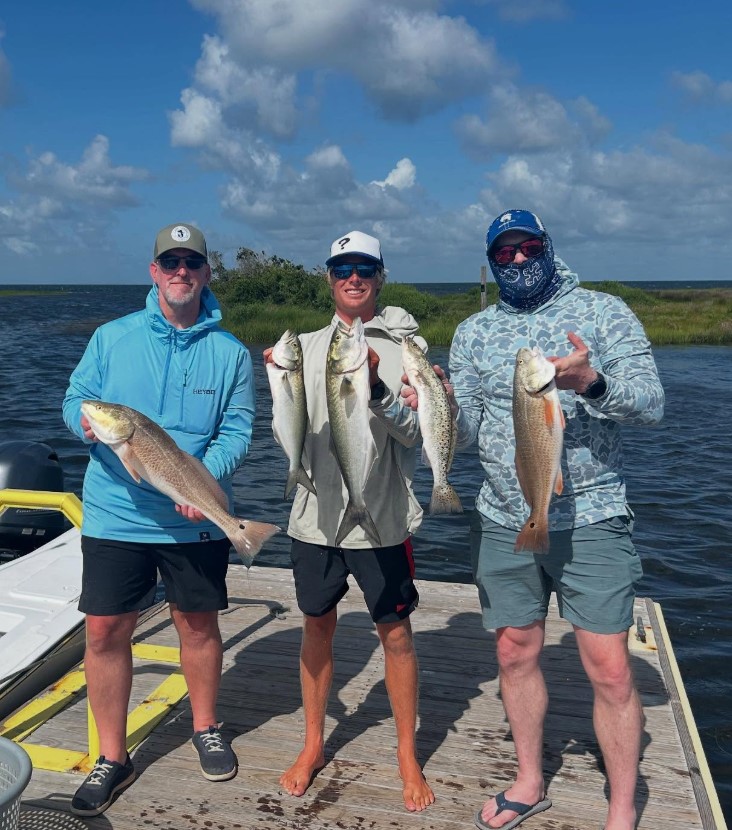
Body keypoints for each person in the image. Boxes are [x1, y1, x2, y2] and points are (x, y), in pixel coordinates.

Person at [403, 210, 664, 830]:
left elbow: (652, 404)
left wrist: (592, 381)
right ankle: (528, 779)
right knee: (514, 651)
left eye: (528, 248)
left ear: (547, 246)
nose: (517, 260)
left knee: (610, 667)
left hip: (592, 514)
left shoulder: (603, 312)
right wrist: (436, 405)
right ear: (491, 262)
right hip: (501, 517)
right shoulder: (473, 332)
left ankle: (621, 808)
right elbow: (468, 432)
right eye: (505, 253)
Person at [63, 222, 256, 817]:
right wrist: (85, 423)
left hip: (194, 516)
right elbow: (75, 399)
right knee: (104, 632)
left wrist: (204, 481)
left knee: (197, 626)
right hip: (114, 514)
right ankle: (112, 756)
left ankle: (205, 727)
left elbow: (238, 430)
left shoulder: (230, 353)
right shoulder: (111, 337)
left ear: (206, 272)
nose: (181, 271)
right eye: (169, 262)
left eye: (191, 262)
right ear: (153, 271)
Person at [263, 230, 435, 813]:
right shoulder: (304, 346)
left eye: (364, 268)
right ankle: (313, 743)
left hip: (380, 519)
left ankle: (407, 755)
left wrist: (380, 385)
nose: (353, 278)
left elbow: (414, 435)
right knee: (317, 625)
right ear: (329, 278)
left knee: (396, 634)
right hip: (314, 520)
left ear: (380, 276)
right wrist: (278, 382)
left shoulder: (407, 348)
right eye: (342, 269)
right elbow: (286, 433)